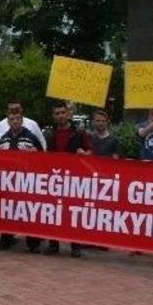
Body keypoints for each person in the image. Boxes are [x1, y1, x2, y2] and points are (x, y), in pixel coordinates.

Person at [43, 101, 92, 257]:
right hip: (54, 178)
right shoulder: (49, 134)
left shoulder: (79, 132)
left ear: (68, 114)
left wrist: (84, 154)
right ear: (53, 116)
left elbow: (91, 152)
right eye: (57, 113)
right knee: (53, 212)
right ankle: (53, 244)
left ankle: (75, 245)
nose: (60, 116)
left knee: (73, 213)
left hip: (74, 179)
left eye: (62, 112)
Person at [0, 112, 43, 251]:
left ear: (22, 120)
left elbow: (44, 157)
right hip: (9, 182)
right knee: (8, 210)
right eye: (12, 119)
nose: (15, 121)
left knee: (29, 211)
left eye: (18, 119)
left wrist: (36, 153)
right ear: (8, 121)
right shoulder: (3, 138)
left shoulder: (31, 137)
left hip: (27, 182)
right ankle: (6, 240)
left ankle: (33, 244)